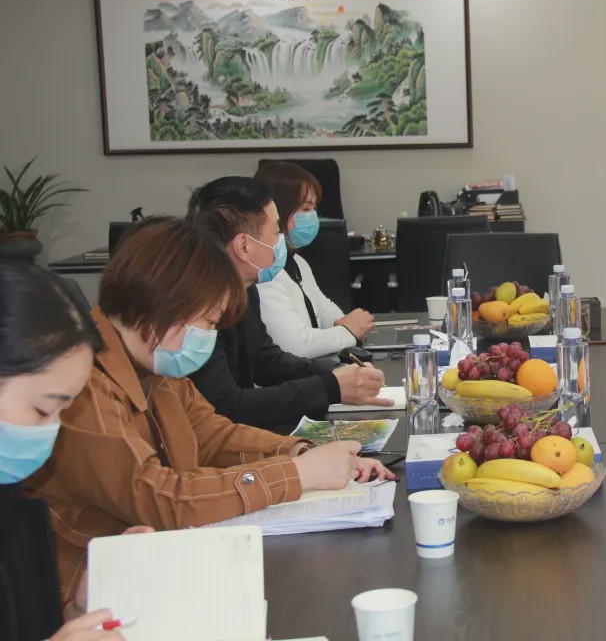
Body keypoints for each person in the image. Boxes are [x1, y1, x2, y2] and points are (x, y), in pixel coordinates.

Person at [25, 219, 393, 602]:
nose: (210, 336)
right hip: (91, 596)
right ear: (168, 303)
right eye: (210, 321)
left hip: (158, 568)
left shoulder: (153, 358)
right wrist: (296, 474)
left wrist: (298, 452)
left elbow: (211, 432)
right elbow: (159, 497)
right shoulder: (81, 381)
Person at [186, 177, 391, 432]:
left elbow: (264, 360)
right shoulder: (196, 307)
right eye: (276, 232)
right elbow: (228, 405)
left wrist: (335, 371)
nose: (281, 240)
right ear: (244, 246)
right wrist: (329, 386)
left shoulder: (245, 288)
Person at [0, 263, 131, 641]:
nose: (51, 432)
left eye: (63, 412)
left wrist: (80, 611)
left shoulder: (15, 507)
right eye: (43, 409)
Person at [253, 161, 374, 358]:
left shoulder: (298, 262)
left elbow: (324, 310)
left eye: (313, 208)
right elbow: (297, 345)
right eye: (306, 208)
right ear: (278, 211)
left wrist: (342, 324)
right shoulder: (265, 273)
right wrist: (348, 331)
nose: (313, 216)